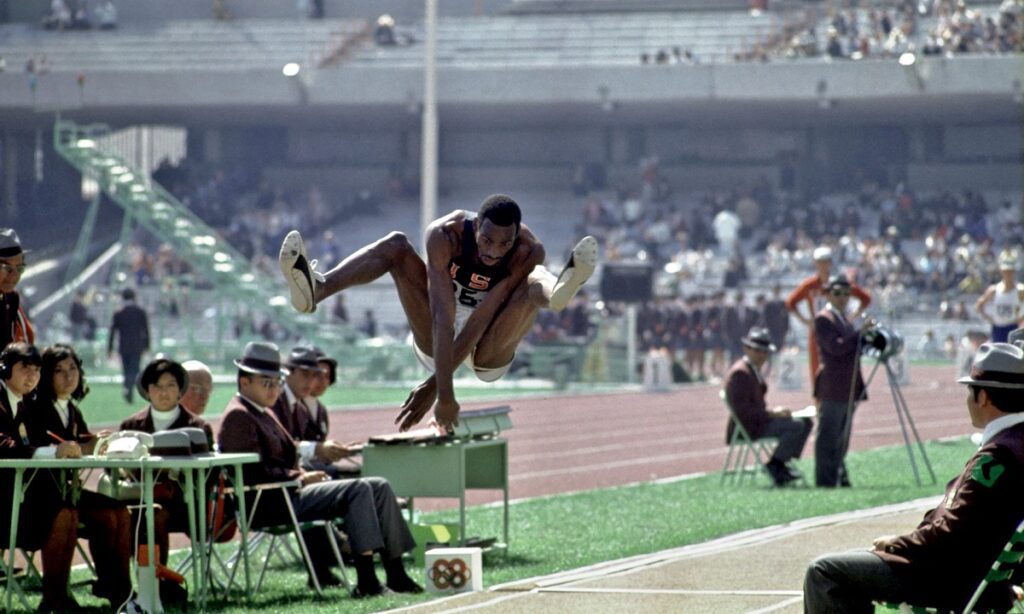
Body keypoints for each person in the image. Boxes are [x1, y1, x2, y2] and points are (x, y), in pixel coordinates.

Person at [279, 194, 598, 431]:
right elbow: (443, 320)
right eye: (487, 240)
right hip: (436, 341)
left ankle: (555, 294)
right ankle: (317, 290)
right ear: (474, 228)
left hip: (489, 344)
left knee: (533, 279)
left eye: (504, 245)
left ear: (515, 239)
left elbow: (480, 321)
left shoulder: (528, 250)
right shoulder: (445, 235)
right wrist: (444, 394)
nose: (493, 252)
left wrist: (436, 390)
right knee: (397, 245)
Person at [804, 342, 1024, 613]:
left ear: (984, 398)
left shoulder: (998, 456)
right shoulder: (1015, 444)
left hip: (948, 579)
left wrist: (897, 544)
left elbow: (952, 535)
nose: (967, 399)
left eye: (970, 390)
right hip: (970, 575)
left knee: (824, 572)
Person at [217, 341, 421, 597]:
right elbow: (252, 473)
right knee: (358, 489)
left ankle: (396, 572)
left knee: (378, 485)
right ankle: (367, 580)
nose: (274, 389)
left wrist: (303, 472)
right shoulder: (240, 416)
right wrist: (300, 478)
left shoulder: (261, 411)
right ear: (244, 382)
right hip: (270, 502)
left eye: (276, 382)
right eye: (266, 382)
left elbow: (285, 451)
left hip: (286, 493)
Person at [23, 343, 135, 608]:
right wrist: (87, 446)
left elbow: (85, 441)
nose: (68, 376)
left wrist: (102, 443)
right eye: (59, 370)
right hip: (40, 495)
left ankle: (119, 590)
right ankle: (56, 595)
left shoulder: (72, 409)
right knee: (92, 515)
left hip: (68, 492)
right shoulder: (36, 408)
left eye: (73, 369)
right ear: (47, 376)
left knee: (119, 512)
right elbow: (63, 448)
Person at [0, 343, 86, 611]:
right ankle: (54, 596)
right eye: (25, 368)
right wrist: (50, 452)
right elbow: (3, 446)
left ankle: (57, 594)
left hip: (19, 497)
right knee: (62, 512)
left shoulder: (25, 405)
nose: (32, 376)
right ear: (4, 370)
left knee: (69, 511)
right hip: (5, 504)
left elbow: (41, 441)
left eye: (36, 370)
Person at [117, 357, 212, 570]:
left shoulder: (199, 427)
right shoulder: (130, 426)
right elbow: (113, 466)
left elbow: (210, 474)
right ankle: (120, 586)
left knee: (155, 514)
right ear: (147, 390)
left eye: (170, 385)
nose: (163, 392)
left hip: (184, 506)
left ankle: (157, 582)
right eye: (157, 386)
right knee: (117, 515)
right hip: (136, 498)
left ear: (180, 391)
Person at [723, 328, 812, 487]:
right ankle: (776, 465)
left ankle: (781, 463)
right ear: (747, 349)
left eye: (765, 352)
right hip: (749, 427)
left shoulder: (752, 370)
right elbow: (743, 411)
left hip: (759, 421)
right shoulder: (740, 373)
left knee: (806, 422)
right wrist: (772, 414)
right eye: (757, 350)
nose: (761, 355)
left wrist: (774, 414)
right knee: (796, 426)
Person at [813, 274, 873, 488]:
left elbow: (851, 346)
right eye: (837, 293)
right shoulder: (824, 318)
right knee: (828, 434)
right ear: (828, 294)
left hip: (849, 385)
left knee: (842, 436)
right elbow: (835, 347)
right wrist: (859, 334)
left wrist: (867, 337)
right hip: (833, 386)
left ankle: (838, 475)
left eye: (846, 294)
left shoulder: (845, 318)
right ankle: (825, 481)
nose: (842, 297)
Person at [785, 246, 871, 389]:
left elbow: (865, 298)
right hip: (818, 329)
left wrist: (852, 316)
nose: (823, 265)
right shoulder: (810, 285)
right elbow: (790, 302)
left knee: (842, 360)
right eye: (819, 262)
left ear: (831, 262)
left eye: (826, 261)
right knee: (816, 365)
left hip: (838, 328)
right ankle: (819, 401)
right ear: (815, 263)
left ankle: (840, 396)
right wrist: (806, 321)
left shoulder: (840, 283)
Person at [272, 346, 354, 475]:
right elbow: (277, 446)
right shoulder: (274, 401)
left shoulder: (301, 409)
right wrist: (318, 449)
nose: (310, 382)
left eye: (314, 375)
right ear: (288, 373)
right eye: (305, 374)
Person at [108, 287, 150, 404]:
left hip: (124, 347)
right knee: (134, 369)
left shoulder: (118, 313)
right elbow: (146, 330)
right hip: (137, 346)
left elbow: (112, 332)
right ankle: (129, 389)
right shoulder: (140, 312)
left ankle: (127, 388)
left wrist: (110, 349)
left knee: (126, 370)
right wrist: (147, 346)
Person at [974, 254, 1023, 342]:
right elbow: (979, 305)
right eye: (1005, 271)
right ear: (1001, 272)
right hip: (997, 328)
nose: (1008, 274)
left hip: (1012, 327)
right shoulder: (994, 290)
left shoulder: (1019, 290)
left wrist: (1021, 318)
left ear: (1013, 272)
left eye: (1010, 271)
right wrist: (989, 318)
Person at [0, 228, 34, 349]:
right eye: (6, 268)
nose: (14, 276)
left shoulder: (11, 298)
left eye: (19, 269)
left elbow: (27, 342)